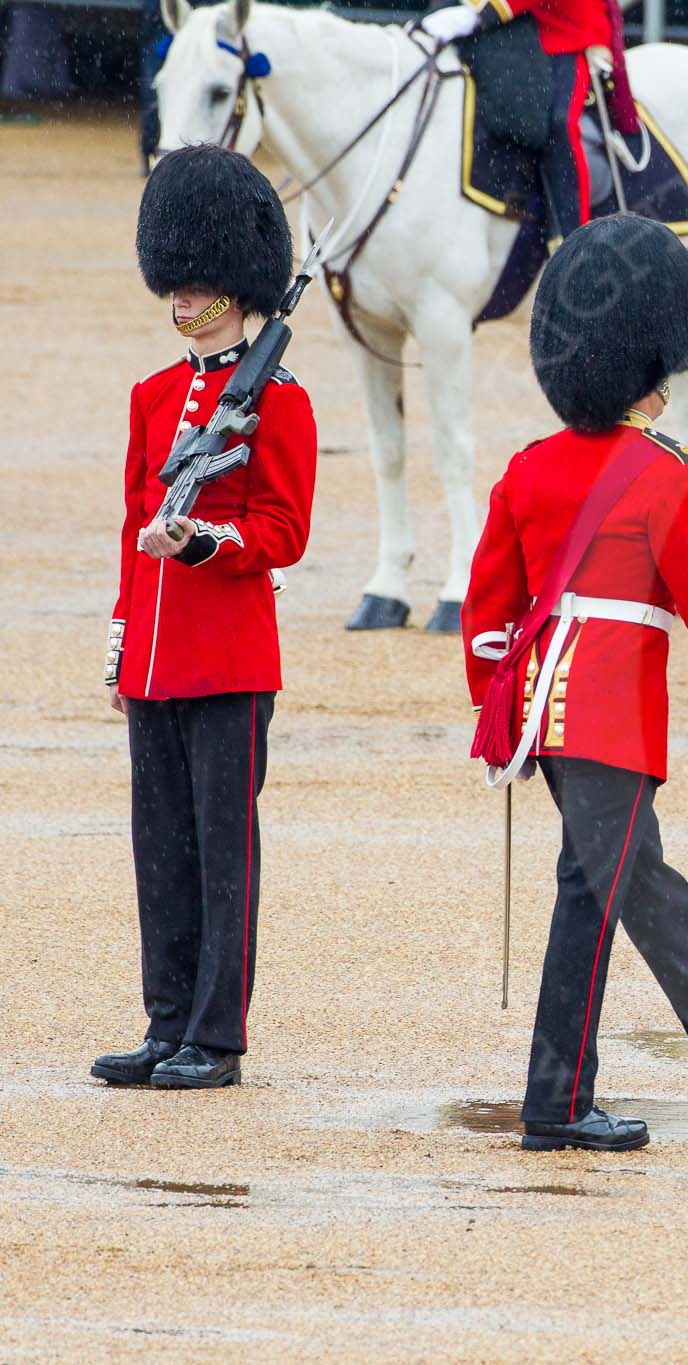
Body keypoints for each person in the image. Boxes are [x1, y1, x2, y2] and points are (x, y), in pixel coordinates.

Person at [461, 213, 688, 1153]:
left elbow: (487, 615)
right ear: (654, 366)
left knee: (611, 875)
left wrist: (501, 712)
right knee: (598, 890)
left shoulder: (529, 468)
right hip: (610, 711)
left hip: (544, 710)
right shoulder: (670, 473)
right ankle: (564, 1096)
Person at [92, 144, 318, 1091]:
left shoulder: (280, 402)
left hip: (229, 657)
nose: (181, 298)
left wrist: (205, 546)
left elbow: (284, 530)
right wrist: (123, 644)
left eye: (196, 283)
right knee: (161, 849)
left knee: (225, 853)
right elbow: (131, 526)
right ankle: (166, 1019)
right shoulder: (153, 397)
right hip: (157, 654)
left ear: (234, 286)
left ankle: (216, 1035)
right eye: (175, 282)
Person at [420, 0, 627, 244]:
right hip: (525, 31)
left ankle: (573, 235)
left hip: (570, 33)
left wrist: (480, 13)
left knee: (560, 125)